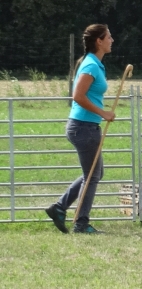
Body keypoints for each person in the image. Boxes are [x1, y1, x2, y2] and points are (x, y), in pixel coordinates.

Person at [45, 24, 116, 234]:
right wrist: (103, 113)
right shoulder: (91, 65)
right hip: (83, 127)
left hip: (85, 126)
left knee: (95, 173)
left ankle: (59, 207)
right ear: (99, 41)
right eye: (109, 37)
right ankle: (81, 223)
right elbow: (78, 96)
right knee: (93, 175)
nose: (112, 40)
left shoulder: (95, 63)